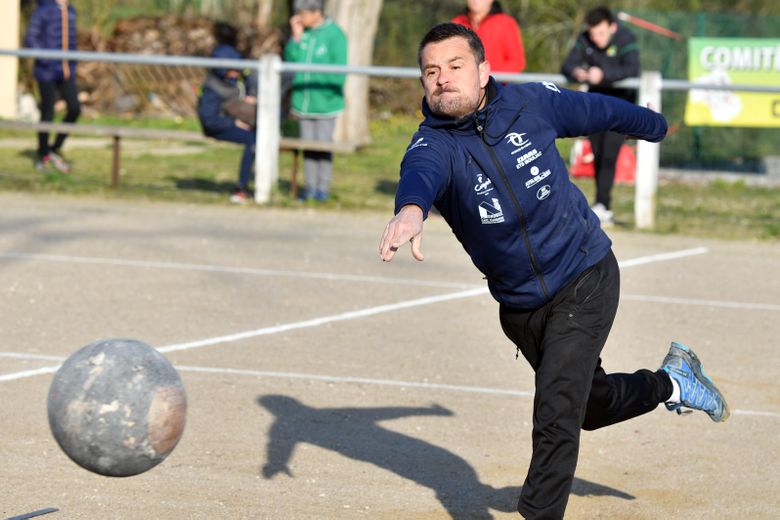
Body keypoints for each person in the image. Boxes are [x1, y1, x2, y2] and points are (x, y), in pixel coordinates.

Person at [378, 23, 728, 520]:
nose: (443, 79)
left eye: (455, 66)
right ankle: (672, 382)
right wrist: (411, 209)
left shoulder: (531, 104)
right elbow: (419, 175)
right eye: (431, 72)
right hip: (521, 307)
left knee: (555, 410)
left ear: (483, 70)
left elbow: (598, 109)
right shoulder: (433, 144)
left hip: (585, 274)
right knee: (588, 407)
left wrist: (653, 124)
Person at [561, 6, 640, 226]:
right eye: (593, 33)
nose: (597, 38)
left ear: (612, 27)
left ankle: (604, 204)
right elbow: (567, 64)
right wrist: (577, 72)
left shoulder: (626, 38)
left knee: (609, 155)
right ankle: (601, 205)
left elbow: (632, 69)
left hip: (621, 106)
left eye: (602, 33)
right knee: (597, 153)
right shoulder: (585, 38)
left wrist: (604, 75)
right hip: (595, 106)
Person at [284, 0, 347, 202]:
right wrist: (295, 37)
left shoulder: (335, 35)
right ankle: (309, 189)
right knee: (308, 148)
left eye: (303, 14)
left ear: (316, 12)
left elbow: (339, 72)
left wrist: (318, 81)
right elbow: (290, 60)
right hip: (303, 103)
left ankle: (322, 190)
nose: (299, 18)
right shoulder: (304, 33)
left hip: (326, 104)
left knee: (322, 148)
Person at [197, 22, 257, 204]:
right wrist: (233, 123)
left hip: (233, 121)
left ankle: (253, 184)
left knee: (259, 137)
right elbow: (209, 121)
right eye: (233, 69)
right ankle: (241, 188)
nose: (237, 73)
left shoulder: (236, 80)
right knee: (253, 141)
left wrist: (252, 94)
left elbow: (251, 77)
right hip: (218, 125)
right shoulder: (212, 89)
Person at [23, 0, 81, 174]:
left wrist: (72, 63)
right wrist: (46, 58)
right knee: (48, 113)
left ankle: (54, 147)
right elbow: (31, 38)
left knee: (75, 109)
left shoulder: (70, 11)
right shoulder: (44, 10)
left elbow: (71, 41)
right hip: (46, 71)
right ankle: (43, 153)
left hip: (66, 71)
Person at [451, 0, 525, 73]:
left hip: (497, 79)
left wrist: (489, 76)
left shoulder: (506, 23)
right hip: (463, 80)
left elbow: (516, 62)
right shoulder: (456, 23)